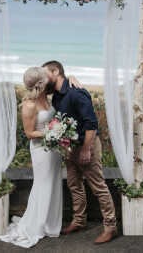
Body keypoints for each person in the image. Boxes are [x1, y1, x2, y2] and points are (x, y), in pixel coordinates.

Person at [0, 66, 80, 248]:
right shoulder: (28, 105)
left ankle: (51, 225)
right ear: (40, 84)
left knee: (54, 184)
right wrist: (52, 133)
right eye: (45, 79)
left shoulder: (47, 97)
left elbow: (62, 83)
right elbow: (29, 133)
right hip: (40, 149)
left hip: (54, 149)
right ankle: (35, 225)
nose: (48, 80)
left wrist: (72, 77)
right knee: (42, 185)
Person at [42, 60, 118, 245]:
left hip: (87, 144)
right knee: (74, 184)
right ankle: (79, 221)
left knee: (98, 187)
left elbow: (91, 124)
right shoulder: (57, 96)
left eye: (46, 74)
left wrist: (85, 149)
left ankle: (111, 227)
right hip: (70, 146)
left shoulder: (77, 93)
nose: (44, 78)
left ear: (55, 71)